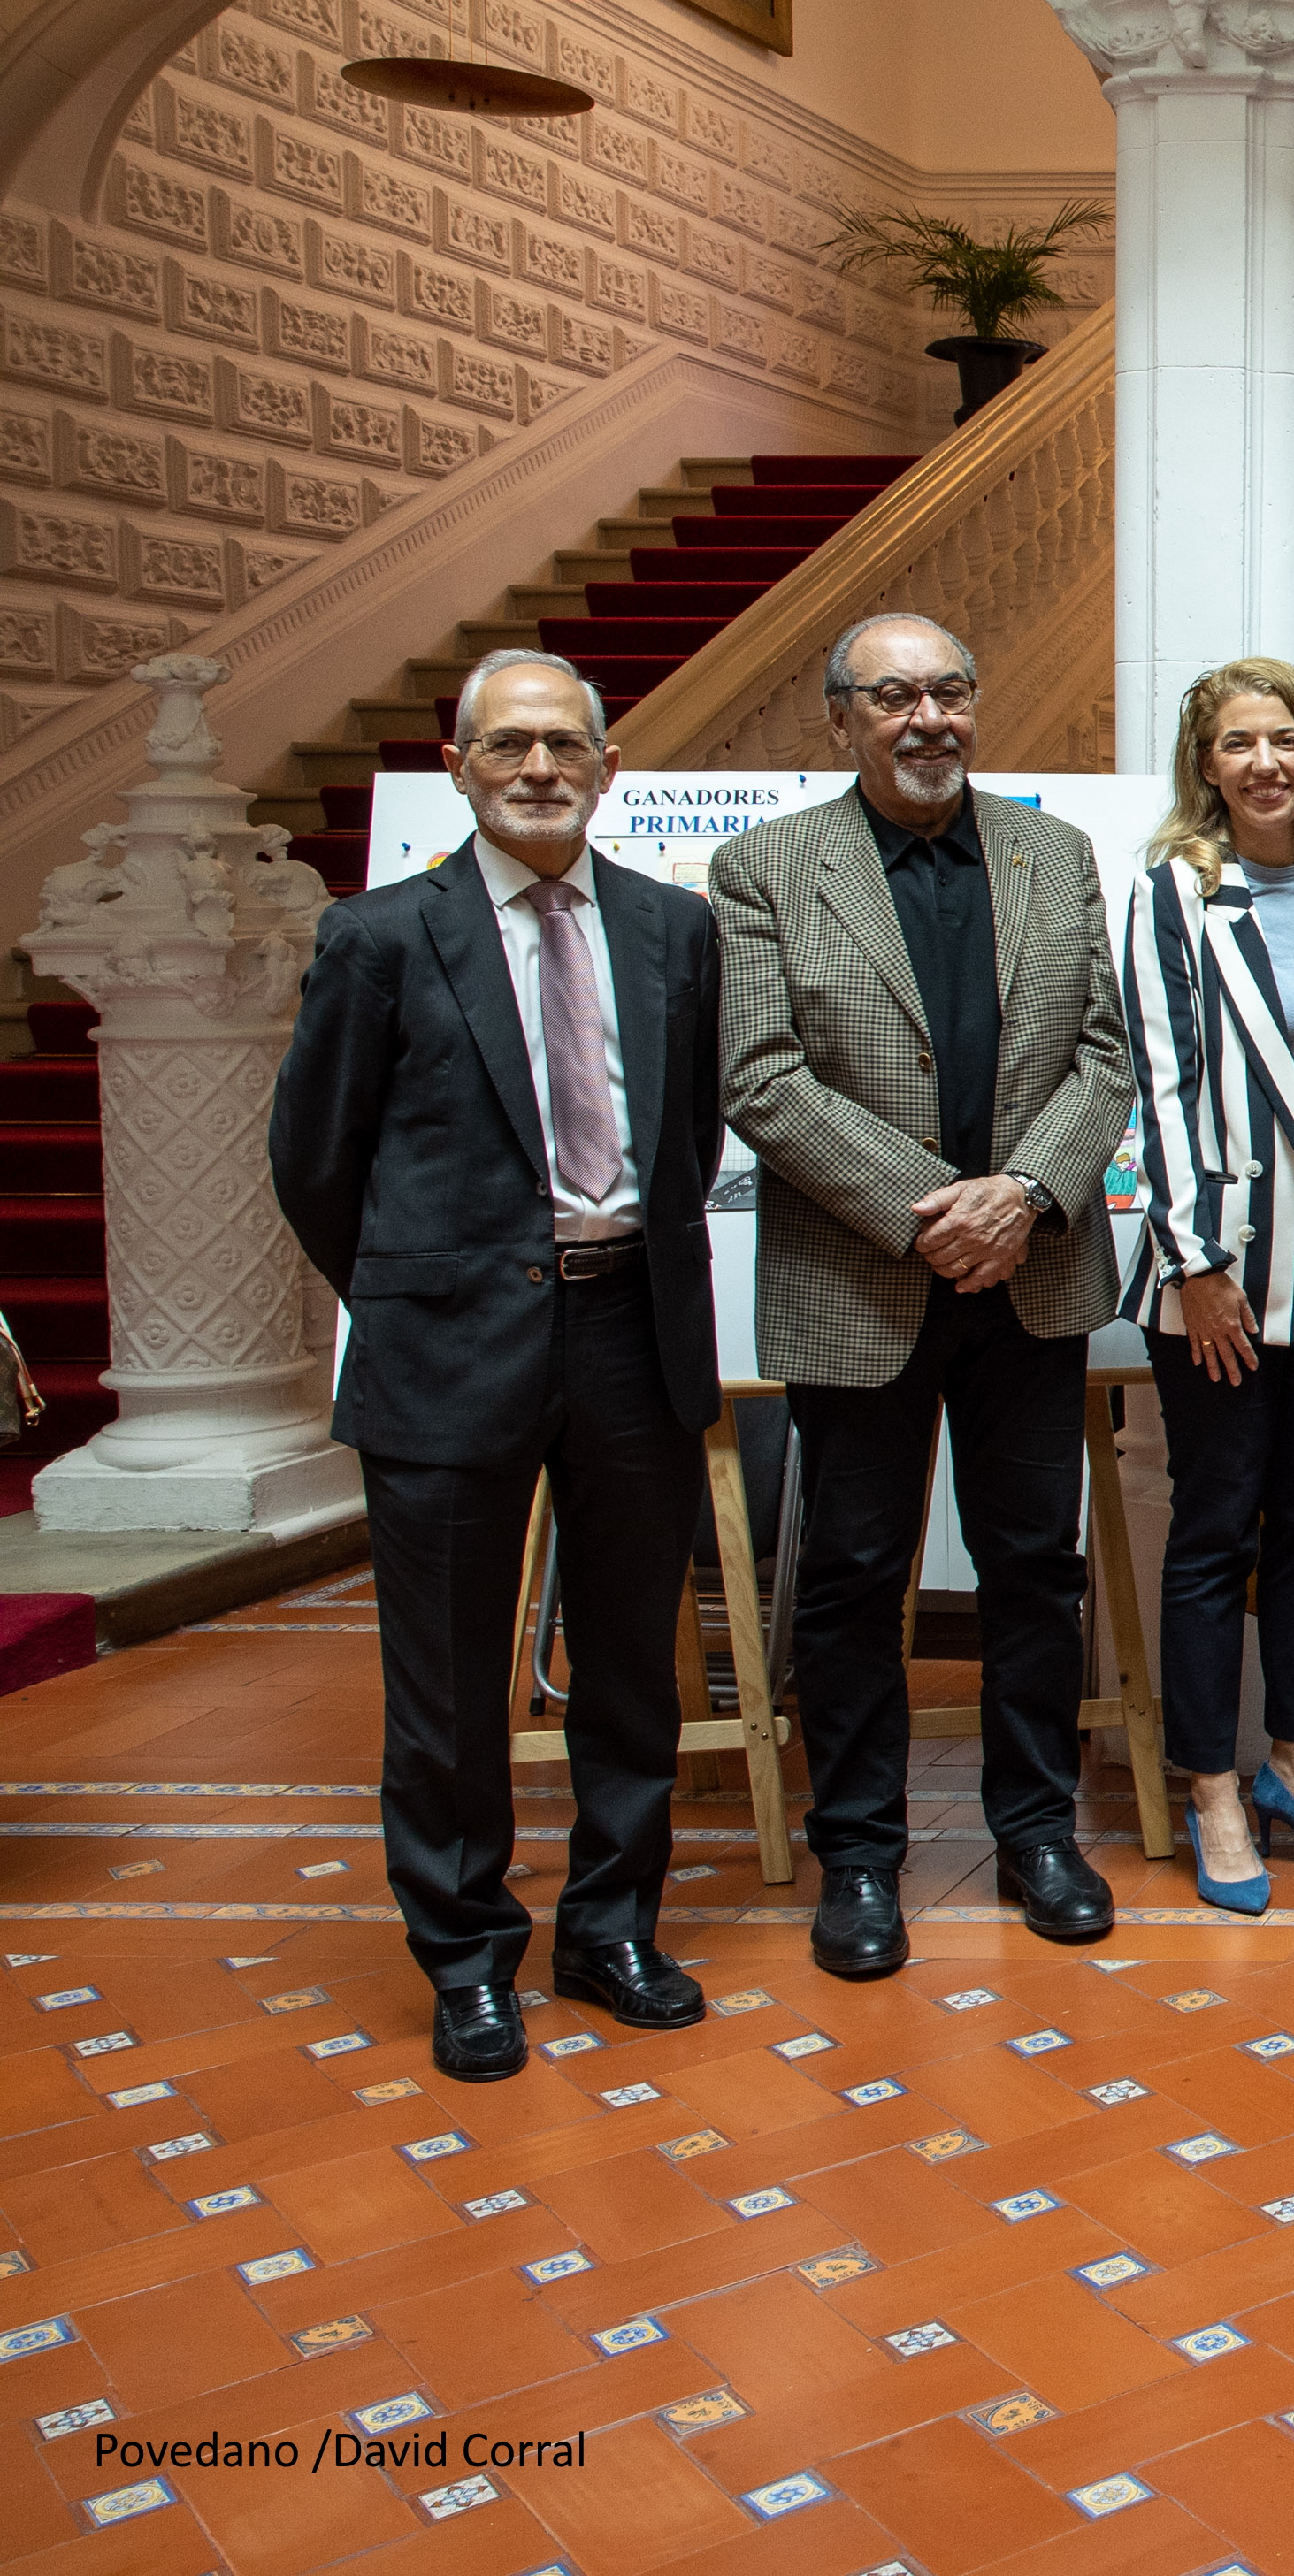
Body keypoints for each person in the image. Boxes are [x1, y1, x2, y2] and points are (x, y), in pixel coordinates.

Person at [271, 650, 724, 2082]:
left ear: (604, 769)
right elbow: (313, 1159)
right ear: (463, 768)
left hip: (628, 1333)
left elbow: (689, 1135)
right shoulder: (380, 937)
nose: (538, 767)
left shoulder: (673, 930)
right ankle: (467, 1956)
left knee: (633, 1672)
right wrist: (418, 1289)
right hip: (445, 1342)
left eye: (564, 745)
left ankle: (610, 1929)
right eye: (509, 745)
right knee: (451, 1684)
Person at [715, 614, 1134, 1980]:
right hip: (862, 1274)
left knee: (1033, 1567)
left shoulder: (1051, 852)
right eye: (894, 696)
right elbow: (763, 1076)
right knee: (848, 1578)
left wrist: (1020, 1193)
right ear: (841, 720)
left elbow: (1103, 1053)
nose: (929, 719)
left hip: (1032, 1268)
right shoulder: (766, 867)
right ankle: (859, 1854)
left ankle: (1035, 1832)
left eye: (951, 690)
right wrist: (934, 1211)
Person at [1112, 655, 1294, 1916]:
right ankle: (1211, 1785)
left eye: (1286, 739)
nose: (1267, 763)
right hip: (1222, 1253)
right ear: (1206, 766)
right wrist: (1194, 1264)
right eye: (1239, 744)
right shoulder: (1175, 892)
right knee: (1213, 1524)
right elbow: (1161, 1082)